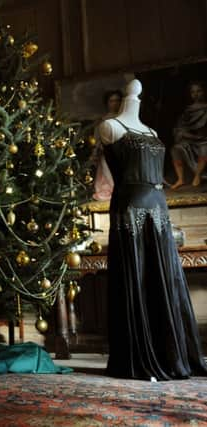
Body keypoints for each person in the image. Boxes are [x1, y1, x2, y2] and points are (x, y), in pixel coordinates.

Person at [95, 79, 207, 381]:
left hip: (159, 206)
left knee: (163, 276)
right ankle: (141, 353)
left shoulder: (153, 132)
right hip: (131, 206)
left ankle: (169, 351)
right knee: (138, 274)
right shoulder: (110, 128)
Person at [170, 81, 207, 189]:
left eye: (198, 91)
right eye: (193, 92)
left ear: (204, 92)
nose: (196, 94)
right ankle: (180, 179)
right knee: (175, 149)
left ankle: (197, 175)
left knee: (205, 149)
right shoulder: (188, 110)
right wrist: (186, 134)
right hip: (192, 140)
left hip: (205, 140)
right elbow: (180, 127)